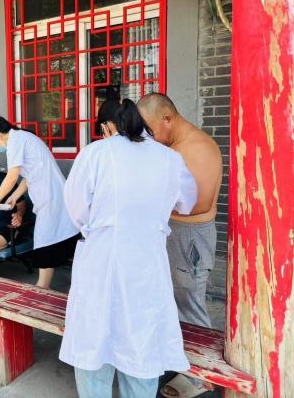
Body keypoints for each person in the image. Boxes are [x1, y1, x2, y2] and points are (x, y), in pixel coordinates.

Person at [60, 99, 198, 398]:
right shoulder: (169, 159)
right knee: (142, 344)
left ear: (109, 126)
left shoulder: (95, 153)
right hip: (146, 263)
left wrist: (97, 228)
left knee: (94, 340)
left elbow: (75, 208)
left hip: (100, 258)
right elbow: (187, 202)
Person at [137, 92, 222, 398]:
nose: (149, 138)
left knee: (190, 303)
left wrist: (151, 204)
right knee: (173, 302)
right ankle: (185, 365)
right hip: (175, 234)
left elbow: (199, 204)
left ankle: (204, 379)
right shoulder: (173, 148)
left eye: (151, 130)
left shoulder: (197, 147)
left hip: (190, 238)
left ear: (168, 119)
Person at [0, 116, 80, 289]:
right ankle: (46, 285)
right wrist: (14, 196)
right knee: (52, 239)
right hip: (50, 196)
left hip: (51, 197)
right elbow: (29, 175)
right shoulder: (23, 137)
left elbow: (12, 177)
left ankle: (43, 286)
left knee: (46, 241)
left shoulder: (15, 141)